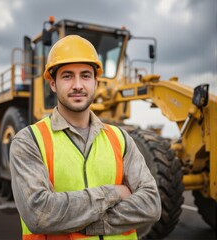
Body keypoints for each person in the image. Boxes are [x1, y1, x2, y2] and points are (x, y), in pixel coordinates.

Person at [10, 35, 161, 240]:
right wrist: (114, 193)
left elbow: (151, 205)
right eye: (67, 76)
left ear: (96, 82)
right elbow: (39, 215)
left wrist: (87, 224)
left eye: (86, 76)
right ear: (52, 83)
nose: (78, 85)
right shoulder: (29, 141)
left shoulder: (121, 139)